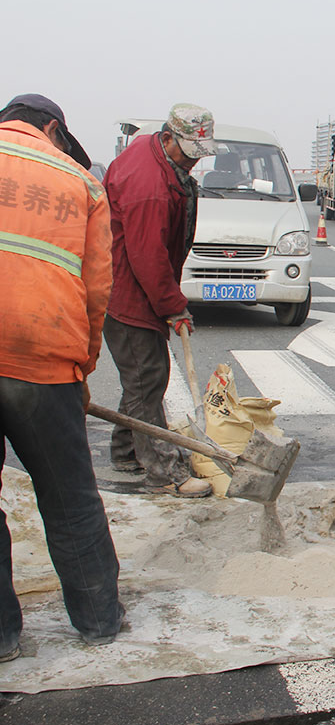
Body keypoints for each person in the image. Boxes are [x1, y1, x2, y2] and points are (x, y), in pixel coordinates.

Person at [0, 93, 124, 660]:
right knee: (70, 497)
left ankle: (2, 637)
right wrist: (81, 367)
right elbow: (97, 289)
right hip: (43, 360)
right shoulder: (80, 182)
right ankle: (98, 619)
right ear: (51, 129)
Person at [102, 104, 217, 498]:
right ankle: (163, 474)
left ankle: (125, 451)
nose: (193, 160)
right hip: (129, 294)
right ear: (168, 137)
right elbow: (147, 256)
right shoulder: (149, 186)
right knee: (147, 379)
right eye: (189, 152)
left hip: (132, 287)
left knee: (139, 378)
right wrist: (173, 306)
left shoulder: (155, 156)